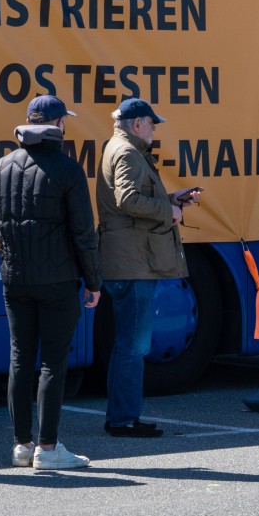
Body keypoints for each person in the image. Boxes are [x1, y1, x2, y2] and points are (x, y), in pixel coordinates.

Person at [0, 94, 101, 470]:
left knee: (20, 360)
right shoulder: (68, 170)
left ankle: (21, 445)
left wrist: (18, 243)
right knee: (53, 363)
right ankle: (48, 449)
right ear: (58, 125)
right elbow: (84, 233)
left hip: (14, 278)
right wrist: (93, 281)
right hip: (58, 279)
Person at [96, 98, 197, 438]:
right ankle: (123, 419)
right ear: (137, 123)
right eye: (152, 123)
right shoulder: (126, 152)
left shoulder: (121, 148)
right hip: (133, 262)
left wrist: (171, 199)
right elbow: (127, 200)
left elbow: (132, 199)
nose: (155, 129)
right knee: (134, 345)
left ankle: (120, 415)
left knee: (127, 341)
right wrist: (167, 212)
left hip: (129, 259)